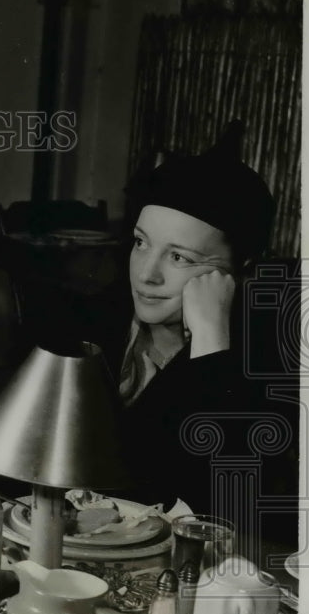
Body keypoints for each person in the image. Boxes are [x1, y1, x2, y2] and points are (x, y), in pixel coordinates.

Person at [111, 127, 298, 525]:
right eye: (141, 242)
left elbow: (225, 510)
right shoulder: (93, 326)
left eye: (180, 258)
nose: (147, 275)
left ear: (238, 270)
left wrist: (212, 343)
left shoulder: (265, 363)